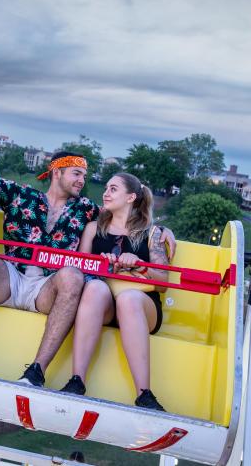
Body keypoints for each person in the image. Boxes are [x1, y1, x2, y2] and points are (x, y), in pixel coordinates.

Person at [0, 153, 176, 389]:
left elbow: (127, 218)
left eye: (84, 175)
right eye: (77, 174)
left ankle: (36, 371)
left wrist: (162, 231)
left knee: (72, 275)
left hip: (47, 289)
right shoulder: (22, 196)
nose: (82, 180)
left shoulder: (85, 210)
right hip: (9, 279)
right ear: (57, 172)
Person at [59, 173, 170, 411]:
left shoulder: (153, 234)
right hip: (104, 304)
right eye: (106, 188)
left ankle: (145, 394)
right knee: (95, 287)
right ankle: (76, 381)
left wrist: (140, 265)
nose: (106, 193)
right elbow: (79, 271)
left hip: (142, 306)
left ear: (131, 197)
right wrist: (101, 263)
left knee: (129, 299)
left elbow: (163, 283)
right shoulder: (92, 229)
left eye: (113, 189)